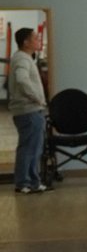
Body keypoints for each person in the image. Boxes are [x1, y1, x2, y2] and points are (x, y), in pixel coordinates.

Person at [10, 27, 47, 195]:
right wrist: (37, 98)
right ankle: (23, 182)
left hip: (31, 110)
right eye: (35, 38)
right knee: (28, 148)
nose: (39, 41)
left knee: (34, 148)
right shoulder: (22, 59)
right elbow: (22, 80)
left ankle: (33, 182)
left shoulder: (25, 58)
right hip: (28, 110)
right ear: (26, 42)